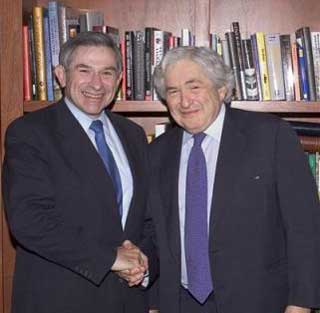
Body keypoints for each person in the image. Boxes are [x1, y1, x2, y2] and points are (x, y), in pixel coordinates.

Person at [149, 46, 320, 313]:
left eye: (194, 87)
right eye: (173, 91)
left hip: (257, 301)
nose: (184, 101)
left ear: (221, 89)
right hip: (179, 303)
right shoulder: (157, 152)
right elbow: (155, 234)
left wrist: (300, 304)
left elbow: (304, 228)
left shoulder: (271, 136)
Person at [2, 31, 158, 313]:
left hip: (128, 300)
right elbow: (29, 220)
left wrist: (142, 267)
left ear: (120, 79)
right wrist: (111, 259)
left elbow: (148, 217)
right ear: (61, 75)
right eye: (84, 70)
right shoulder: (31, 133)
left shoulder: (133, 135)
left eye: (107, 72)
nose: (96, 84)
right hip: (60, 300)